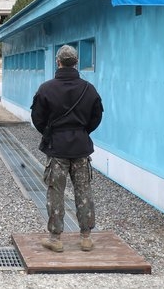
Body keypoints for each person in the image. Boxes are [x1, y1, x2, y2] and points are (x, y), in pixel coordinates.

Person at [30, 44, 103, 253]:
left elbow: (37, 118)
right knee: (84, 191)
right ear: (76, 62)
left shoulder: (46, 88)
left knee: (56, 192)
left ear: (58, 62)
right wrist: (81, 132)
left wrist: (50, 133)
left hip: (57, 148)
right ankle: (86, 237)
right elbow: (96, 117)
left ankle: (55, 238)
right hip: (81, 147)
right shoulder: (89, 89)